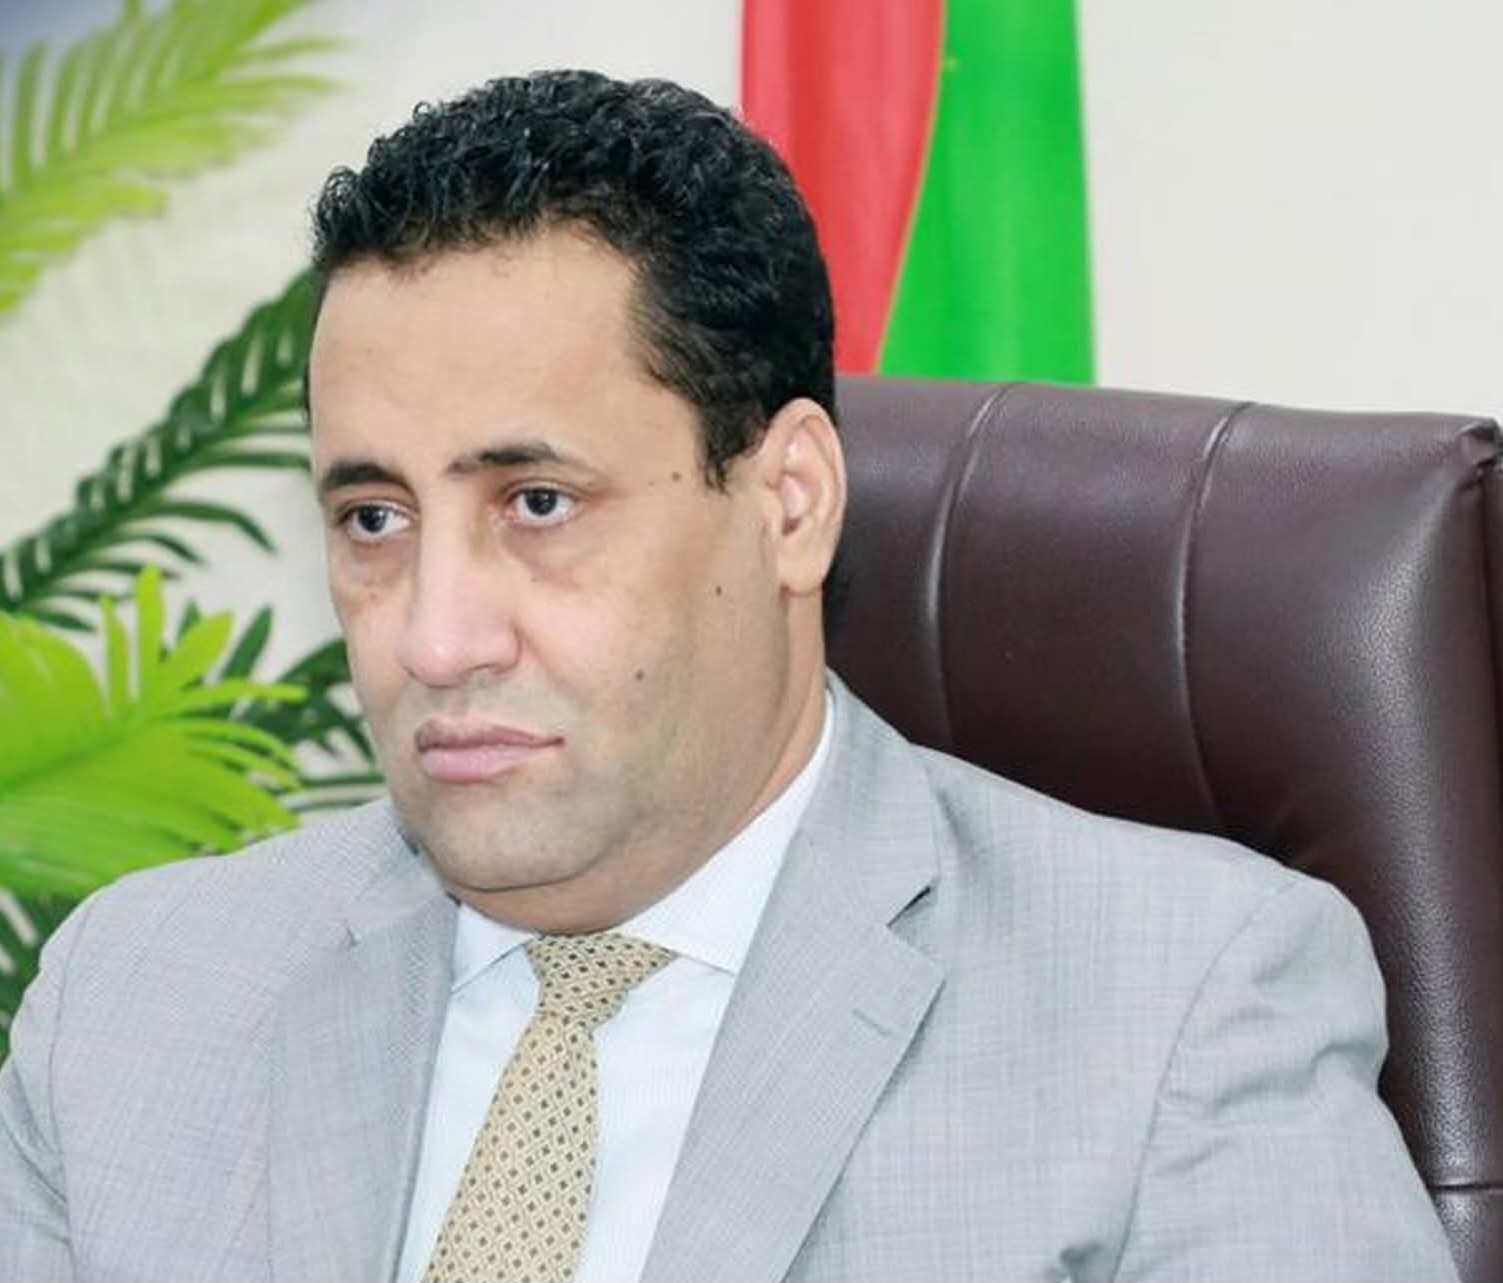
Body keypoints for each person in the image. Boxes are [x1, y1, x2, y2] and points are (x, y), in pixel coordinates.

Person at [0, 69, 1459, 1283]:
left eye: (537, 504)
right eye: (375, 520)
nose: (434, 639)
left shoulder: (1179, 1007)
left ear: (790, 504)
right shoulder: (135, 1003)